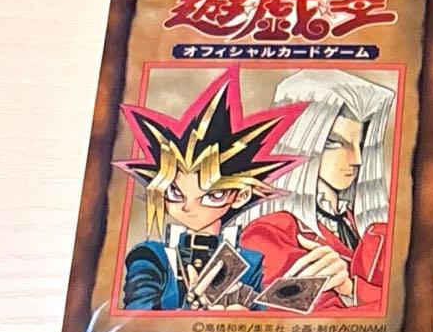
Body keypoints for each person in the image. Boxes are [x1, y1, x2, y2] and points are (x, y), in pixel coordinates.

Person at [116, 69, 305, 311]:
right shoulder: (151, 256)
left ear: (241, 195)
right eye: (175, 192)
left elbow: (266, 318)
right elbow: (136, 318)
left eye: (212, 195)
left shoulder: (250, 261)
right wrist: (192, 311)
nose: (188, 206)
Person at [241, 70, 395, 311]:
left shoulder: (370, 226)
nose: (356, 159)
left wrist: (350, 289)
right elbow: (304, 322)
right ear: (303, 142)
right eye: (335, 143)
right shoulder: (272, 232)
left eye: (360, 144)